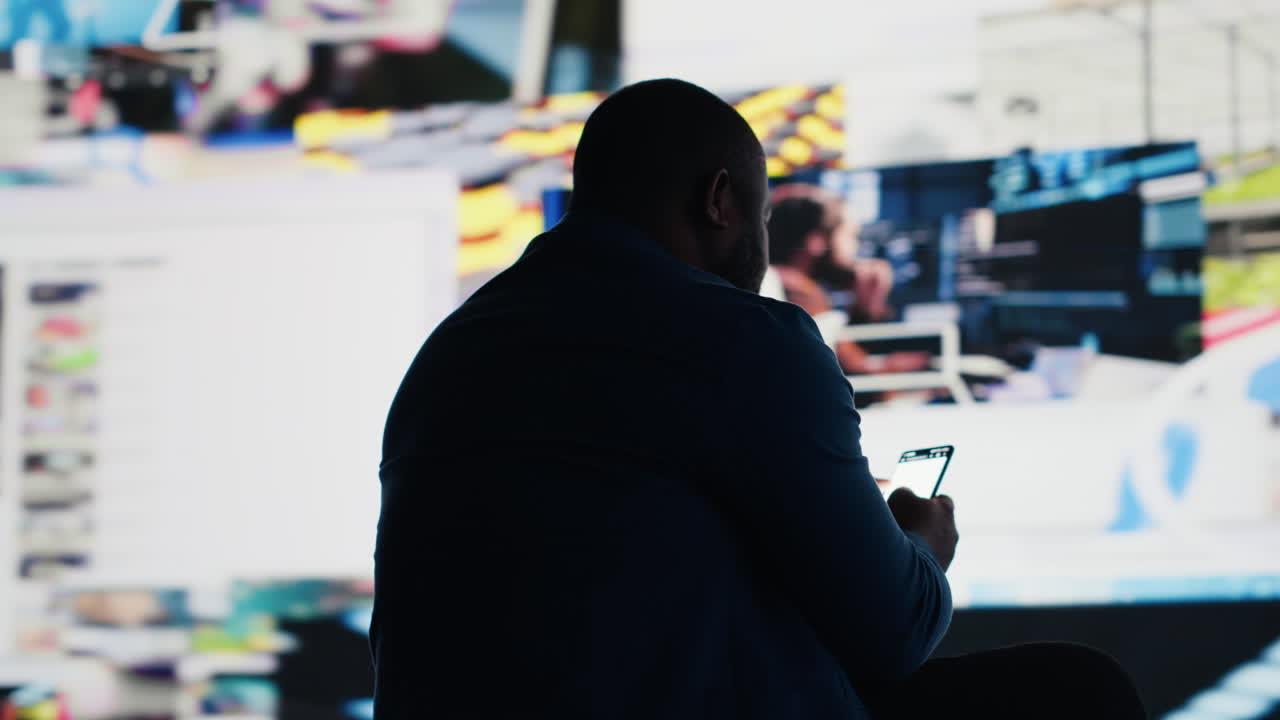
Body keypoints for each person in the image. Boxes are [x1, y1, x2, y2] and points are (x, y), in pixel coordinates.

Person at [372, 79, 1146, 719]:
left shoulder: (453, 350)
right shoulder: (742, 337)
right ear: (720, 201)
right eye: (762, 215)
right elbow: (894, 633)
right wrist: (921, 547)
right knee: (1078, 692)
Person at [766, 186, 931, 376]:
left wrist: (864, 308)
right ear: (815, 241)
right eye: (850, 237)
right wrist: (924, 367)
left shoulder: (785, 281)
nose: (856, 250)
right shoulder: (800, 292)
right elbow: (853, 374)